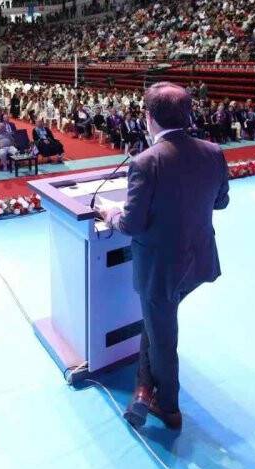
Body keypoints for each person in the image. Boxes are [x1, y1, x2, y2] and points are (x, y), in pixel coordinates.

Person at [95, 82, 230, 431]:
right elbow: (220, 201)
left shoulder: (145, 163)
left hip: (161, 270)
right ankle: (143, 389)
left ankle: (168, 407)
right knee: (156, 325)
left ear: (149, 118)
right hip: (197, 262)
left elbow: (132, 225)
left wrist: (110, 212)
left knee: (163, 335)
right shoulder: (213, 151)